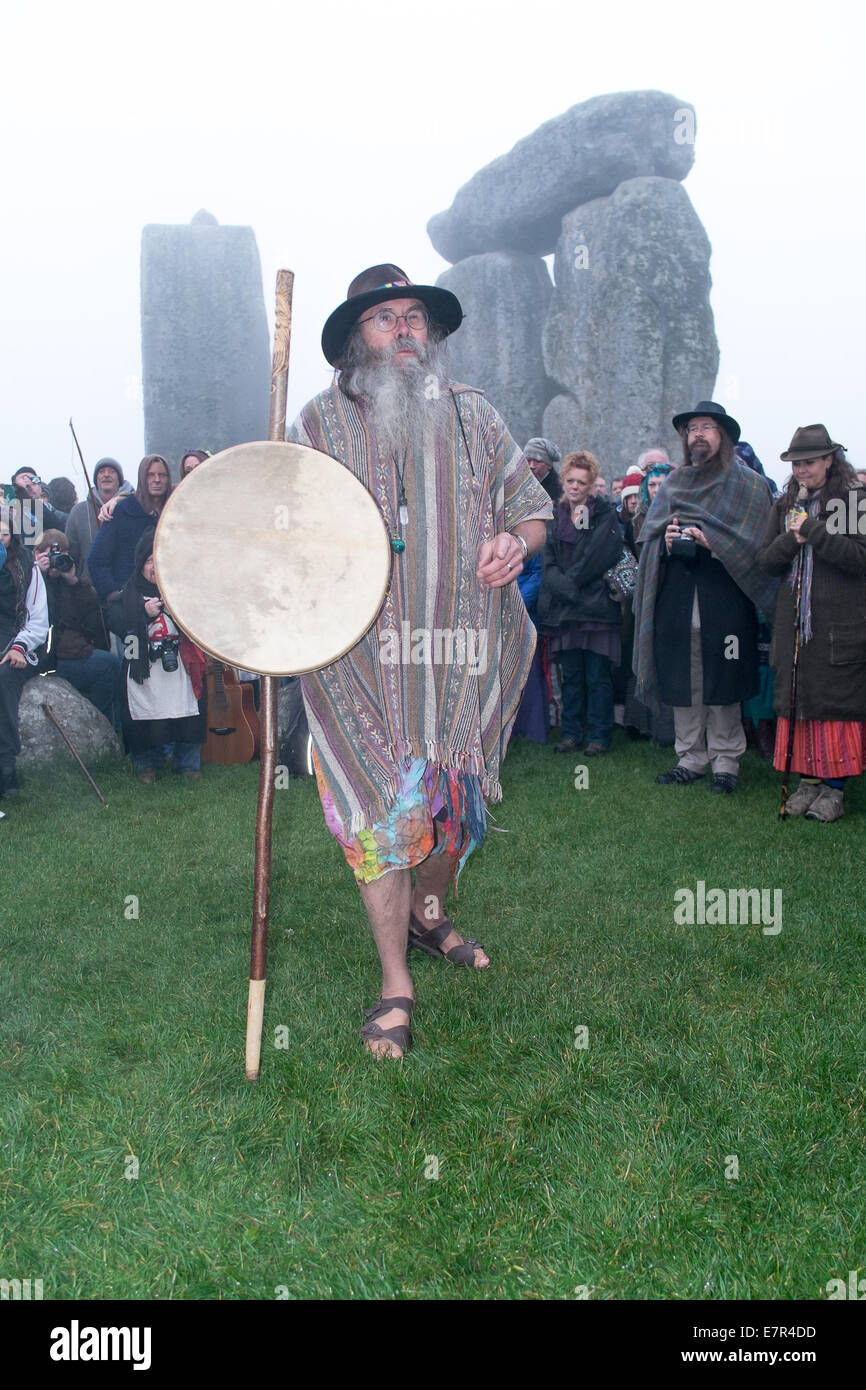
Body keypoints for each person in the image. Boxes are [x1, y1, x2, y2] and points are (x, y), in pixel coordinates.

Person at [287, 263, 552, 1059]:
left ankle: (429, 920)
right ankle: (395, 980)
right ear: (354, 342)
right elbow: (282, 535)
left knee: (441, 828)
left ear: (430, 334)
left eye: (413, 317)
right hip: (356, 669)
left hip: (456, 672)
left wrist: (517, 542)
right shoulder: (316, 426)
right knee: (376, 826)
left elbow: (533, 512)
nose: (403, 329)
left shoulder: (475, 416)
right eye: (383, 319)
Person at [632, 401, 777, 794]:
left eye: (707, 427)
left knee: (723, 679)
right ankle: (690, 758)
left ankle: (727, 762)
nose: (698, 434)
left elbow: (759, 547)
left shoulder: (748, 485)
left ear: (724, 436)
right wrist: (663, 541)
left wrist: (712, 542)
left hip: (725, 599)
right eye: (692, 428)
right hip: (677, 598)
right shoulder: (676, 484)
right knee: (684, 678)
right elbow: (646, 539)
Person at [757, 426, 866, 822]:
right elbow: (767, 561)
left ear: (829, 460)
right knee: (799, 702)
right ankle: (808, 783)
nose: (802, 471)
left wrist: (815, 531)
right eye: (796, 464)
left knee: (834, 704)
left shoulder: (854, 500)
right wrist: (793, 538)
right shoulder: (785, 503)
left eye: (809, 462)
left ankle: (834, 791)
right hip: (795, 629)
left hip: (838, 625)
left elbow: (859, 558)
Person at [538, 451, 622, 756]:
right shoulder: (553, 515)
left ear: (590, 485)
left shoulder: (604, 514)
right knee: (572, 676)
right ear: (563, 481)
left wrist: (567, 586)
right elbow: (547, 562)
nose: (575, 486)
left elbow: (598, 557)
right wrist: (565, 589)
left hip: (596, 610)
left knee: (598, 677)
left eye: (582, 482)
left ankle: (599, 735)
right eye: (570, 480)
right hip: (565, 611)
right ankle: (572, 733)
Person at [107, 531, 206, 783]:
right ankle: (148, 765)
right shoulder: (127, 596)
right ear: (141, 563)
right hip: (145, 669)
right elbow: (116, 623)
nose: (154, 566)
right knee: (144, 716)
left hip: (179, 667)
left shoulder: (181, 593)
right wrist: (143, 613)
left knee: (188, 715)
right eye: (149, 561)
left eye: (159, 560)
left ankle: (187, 764)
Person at [33, 529, 119, 722]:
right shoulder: (31, 578)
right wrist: (38, 573)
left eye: (60, 556)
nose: (55, 561)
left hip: (71, 651)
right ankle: (100, 724)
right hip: (49, 659)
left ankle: (103, 726)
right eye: (50, 555)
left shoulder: (71, 583)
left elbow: (90, 613)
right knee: (110, 665)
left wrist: (72, 581)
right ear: (37, 555)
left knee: (111, 664)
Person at [0, 509, 48, 798]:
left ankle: (6, 767)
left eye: (3, 534)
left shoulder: (27, 565)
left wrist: (21, 646)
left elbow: (39, 619)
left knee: (4, 677)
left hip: (20, 641)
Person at [88, 455, 172, 602]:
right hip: (129, 605)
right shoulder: (121, 511)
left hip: (165, 601)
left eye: (162, 475)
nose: (157, 479)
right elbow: (97, 560)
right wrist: (113, 595)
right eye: (150, 475)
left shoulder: (171, 513)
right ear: (142, 478)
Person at [65, 458, 130, 579]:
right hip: (87, 591)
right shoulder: (78, 511)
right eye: (101, 472)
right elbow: (72, 553)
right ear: (96, 479)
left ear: (119, 479)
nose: (106, 475)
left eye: (111, 471)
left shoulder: (132, 508)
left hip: (126, 589)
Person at [632, 462, 674, 546]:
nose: (656, 490)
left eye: (662, 485)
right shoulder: (638, 520)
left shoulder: (679, 514)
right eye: (652, 485)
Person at [523, 438, 563, 505]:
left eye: (538, 461)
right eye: (528, 460)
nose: (531, 466)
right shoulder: (519, 485)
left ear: (549, 465)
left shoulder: (560, 490)